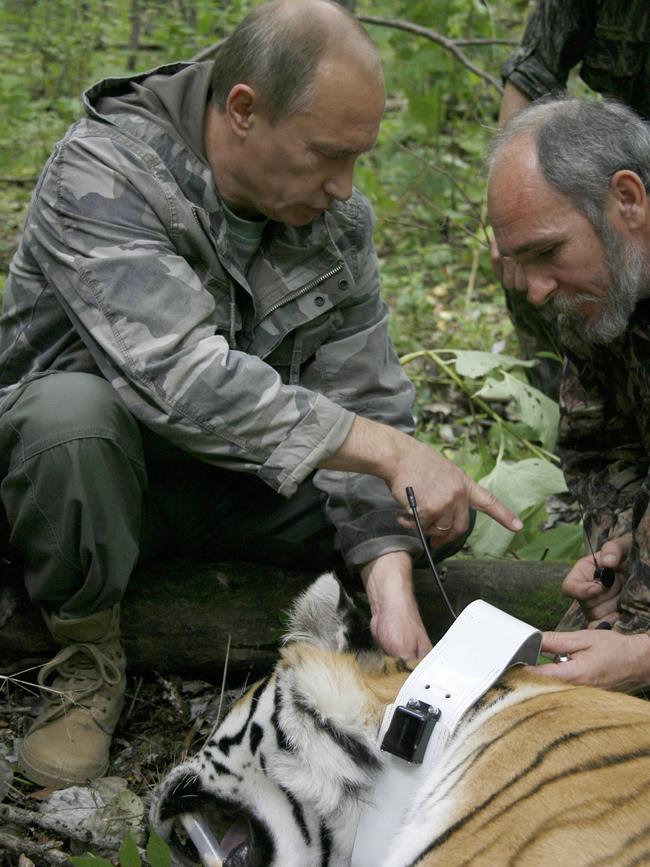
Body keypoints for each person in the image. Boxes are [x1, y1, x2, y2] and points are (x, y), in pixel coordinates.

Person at [0, 0, 521, 788]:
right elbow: (180, 380)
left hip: (220, 484)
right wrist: (386, 449)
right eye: (325, 155)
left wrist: (390, 575)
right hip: (78, 481)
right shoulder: (105, 170)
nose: (344, 188)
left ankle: (361, 633)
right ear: (243, 109)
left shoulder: (333, 223)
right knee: (73, 422)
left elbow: (365, 393)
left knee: (426, 508)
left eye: (359, 158)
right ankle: (84, 654)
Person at [488, 96, 650, 693]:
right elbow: (603, 447)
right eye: (519, 261)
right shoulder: (597, 294)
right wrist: (617, 553)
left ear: (626, 200)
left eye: (548, 253)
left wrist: (644, 657)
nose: (534, 291)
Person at [495, 0, 650, 398]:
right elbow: (531, 75)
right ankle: (569, 411)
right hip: (619, 169)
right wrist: (512, 219)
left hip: (629, 200)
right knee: (544, 265)